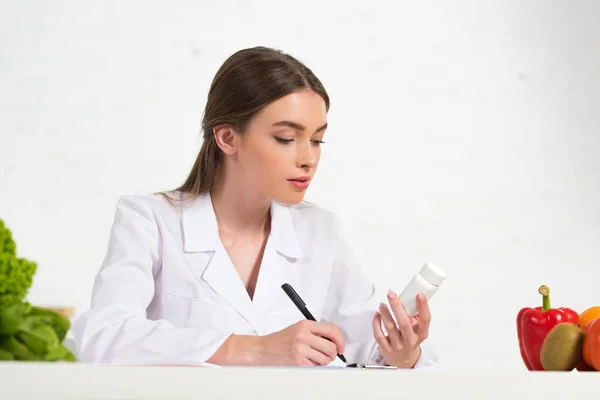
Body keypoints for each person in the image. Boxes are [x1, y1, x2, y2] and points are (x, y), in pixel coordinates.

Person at [72, 46, 438, 369]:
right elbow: (104, 336)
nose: (308, 158)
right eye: (285, 138)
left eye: (317, 140)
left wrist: (402, 354)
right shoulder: (151, 220)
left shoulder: (320, 231)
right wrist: (254, 349)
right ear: (228, 137)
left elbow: (367, 346)